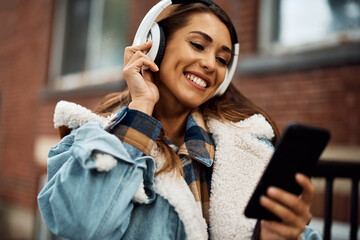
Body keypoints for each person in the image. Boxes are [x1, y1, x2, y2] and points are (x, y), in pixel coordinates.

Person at [38, 1, 322, 240]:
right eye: (198, 45)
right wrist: (140, 110)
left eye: (223, 60)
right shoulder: (89, 140)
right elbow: (80, 222)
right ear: (155, 46)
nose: (211, 64)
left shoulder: (249, 149)